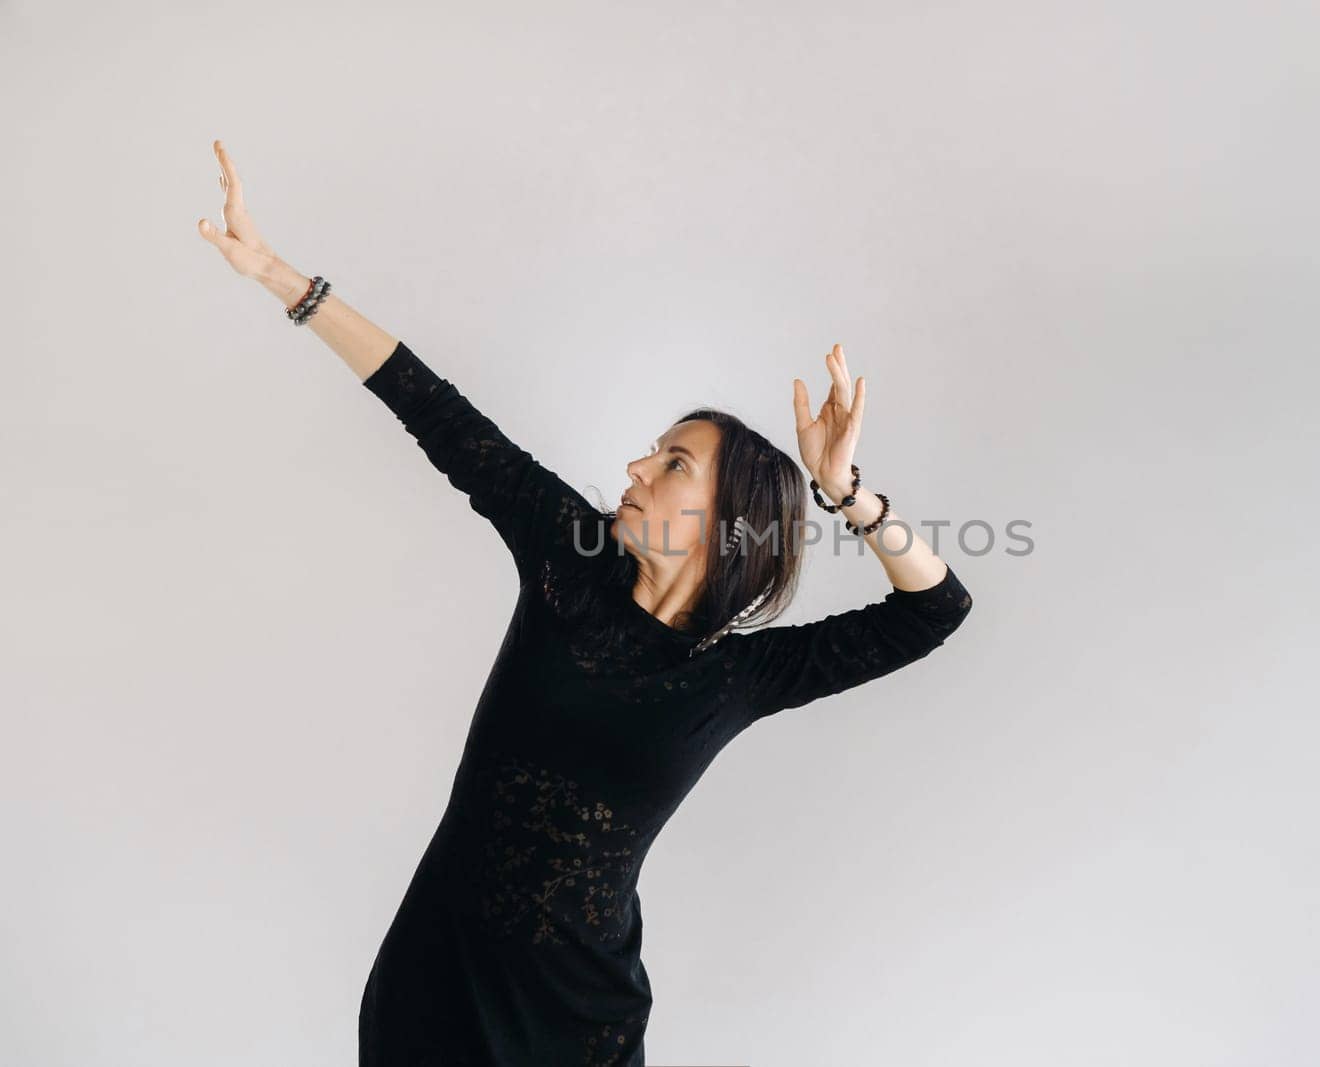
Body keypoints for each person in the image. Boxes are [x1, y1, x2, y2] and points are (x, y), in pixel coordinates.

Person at [199, 139, 974, 1066]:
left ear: (727, 520)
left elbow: (935, 610)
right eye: (651, 450)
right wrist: (281, 275)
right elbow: (434, 406)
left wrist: (846, 491)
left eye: (673, 462)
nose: (637, 468)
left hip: (578, 1030)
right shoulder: (571, 563)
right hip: (429, 995)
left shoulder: (737, 675)